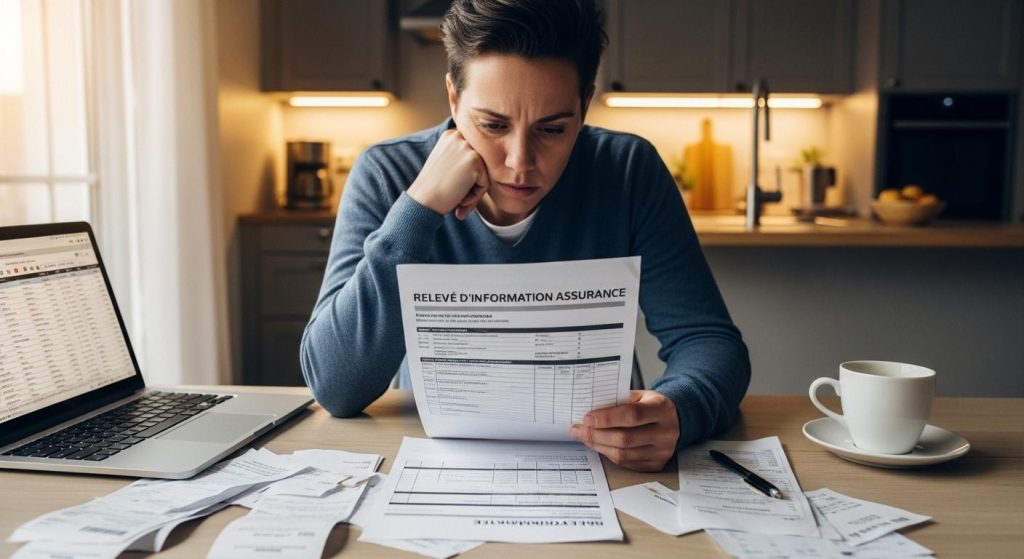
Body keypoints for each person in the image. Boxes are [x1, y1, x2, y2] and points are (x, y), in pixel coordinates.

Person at [300, 0, 750, 472]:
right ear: (454, 99)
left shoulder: (628, 171)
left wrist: (680, 410)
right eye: (492, 125)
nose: (520, 161)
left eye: (553, 129)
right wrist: (418, 208)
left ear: (586, 103)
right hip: (434, 460)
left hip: (600, 462)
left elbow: (709, 341)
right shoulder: (388, 172)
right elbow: (335, 385)